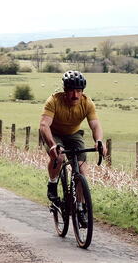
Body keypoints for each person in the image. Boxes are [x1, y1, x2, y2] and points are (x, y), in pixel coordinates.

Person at [39, 70, 107, 207]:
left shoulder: (87, 103)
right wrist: (52, 145)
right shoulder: (54, 101)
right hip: (54, 134)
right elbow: (44, 125)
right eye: (71, 91)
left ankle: (80, 206)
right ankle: (52, 183)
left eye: (78, 91)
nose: (75, 95)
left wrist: (99, 141)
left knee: (82, 171)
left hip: (73, 134)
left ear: (82, 91)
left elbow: (95, 125)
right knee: (58, 157)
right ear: (65, 90)